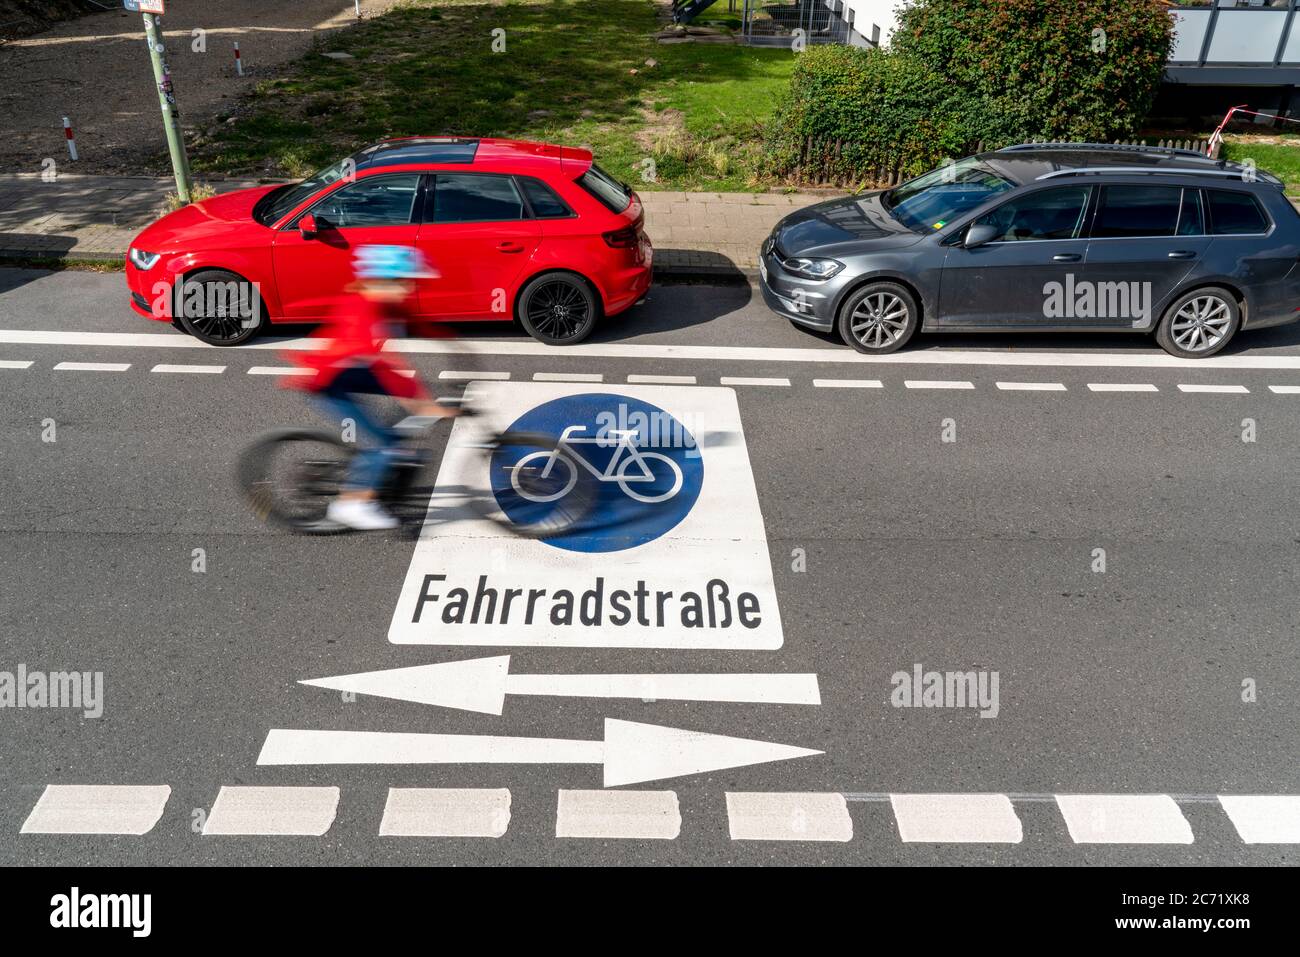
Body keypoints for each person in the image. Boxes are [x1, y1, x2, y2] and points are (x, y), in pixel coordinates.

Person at [285, 245, 458, 530]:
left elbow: (423, 327)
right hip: (329, 382)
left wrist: (457, 347)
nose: (409, 288)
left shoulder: (384, 302)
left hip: (352, 369)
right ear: (382, 280)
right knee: (384, 442)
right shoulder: (362, 314)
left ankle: (386, 458)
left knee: (407, 410)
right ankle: (351, 505)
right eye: (404, 282)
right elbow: (386, 367)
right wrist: (422, 403)